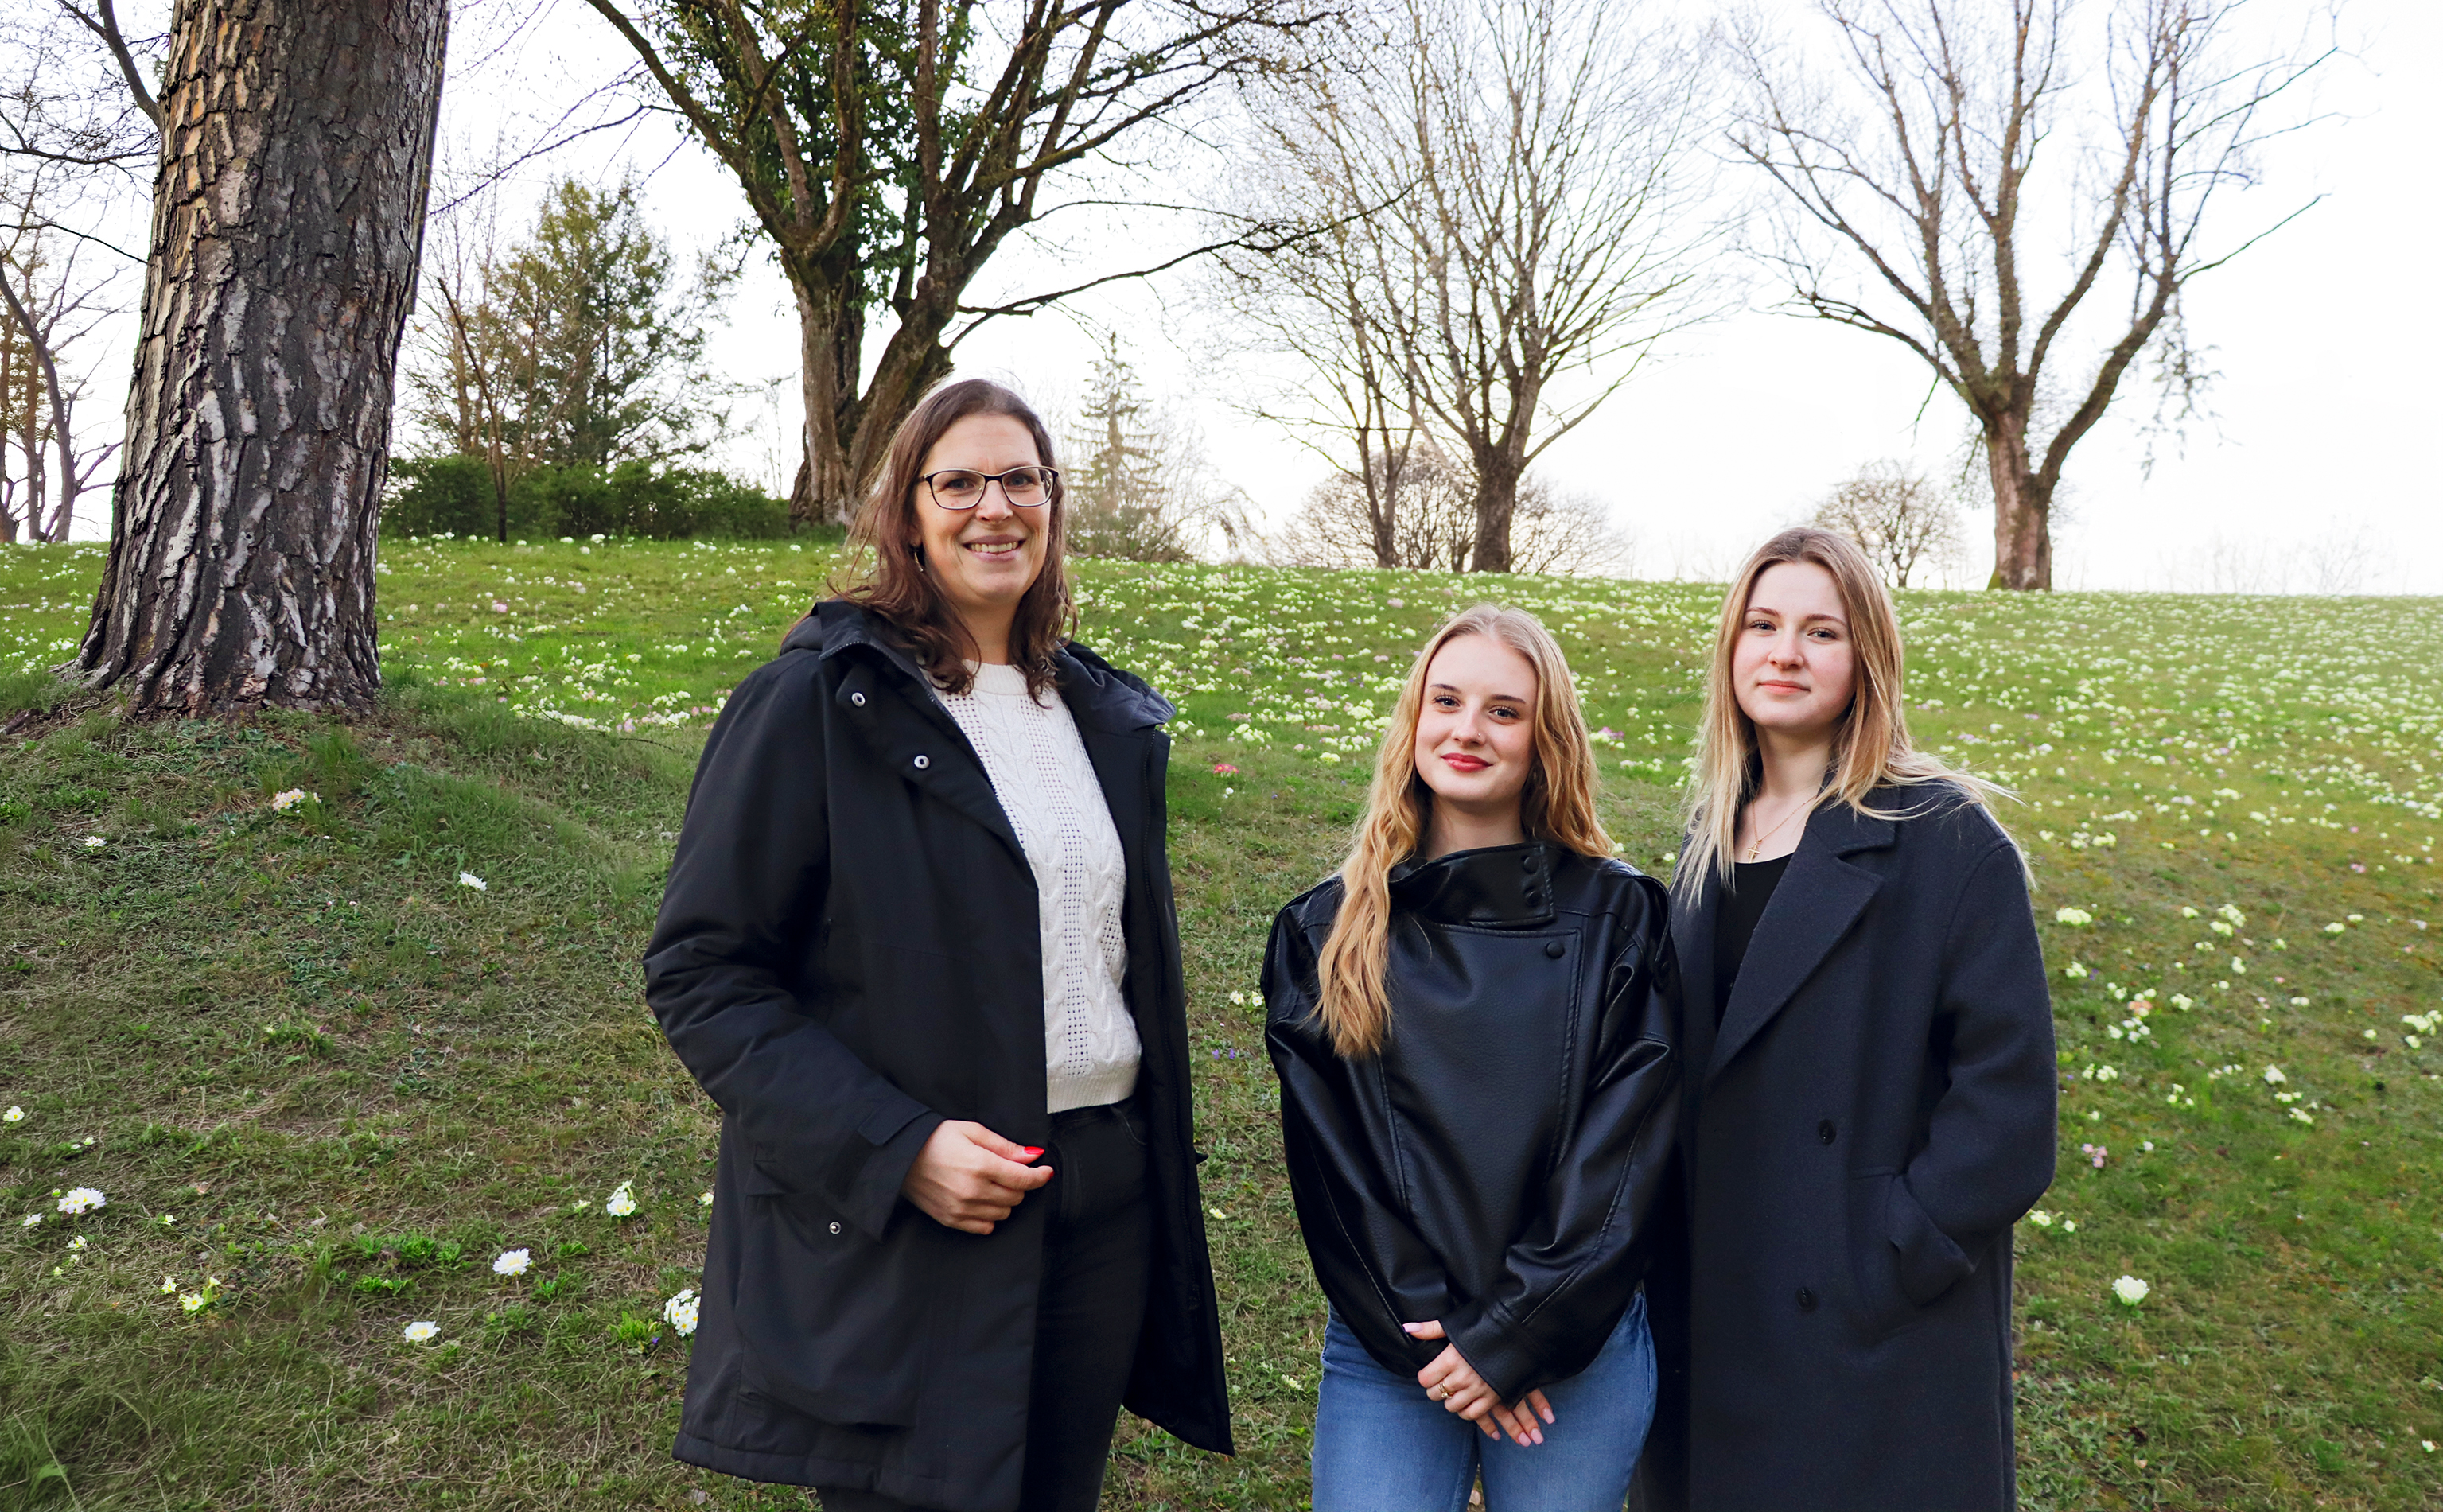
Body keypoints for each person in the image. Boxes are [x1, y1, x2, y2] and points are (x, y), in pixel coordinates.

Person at [643, 378, 1231, 1512]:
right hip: (917, 1218)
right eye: (956, 482)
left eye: (1019, 479)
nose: (992, 507)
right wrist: (897, 1146)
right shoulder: (818, 699)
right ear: (907, 514)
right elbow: (702, 972)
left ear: (1052, 502)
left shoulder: (1095, 715)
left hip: (1097, 1198)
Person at [1632, 527, 2056, 1512]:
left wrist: (1886, 1253)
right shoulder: (1708, 835)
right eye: (1761, 624)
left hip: (1868, 1336)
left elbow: (2006, 1107)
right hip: (1712, 1307)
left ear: (1866, 657)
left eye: (1819, 631)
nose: (1783, 652)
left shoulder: (1945, 837)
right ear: (1730, 647)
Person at [1264, 604, 1682, 1512]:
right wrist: (1450, 1342)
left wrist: (1513, 1334)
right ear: (1413, 719)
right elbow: (1336, 1175)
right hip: (1397, 1340)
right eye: (1445, 700)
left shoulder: (1622, 917)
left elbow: (1622, 1159)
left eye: (1503, 710)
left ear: (1545, 740)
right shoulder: (1321, 929)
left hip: (1570, 1346)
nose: (1466, 730)